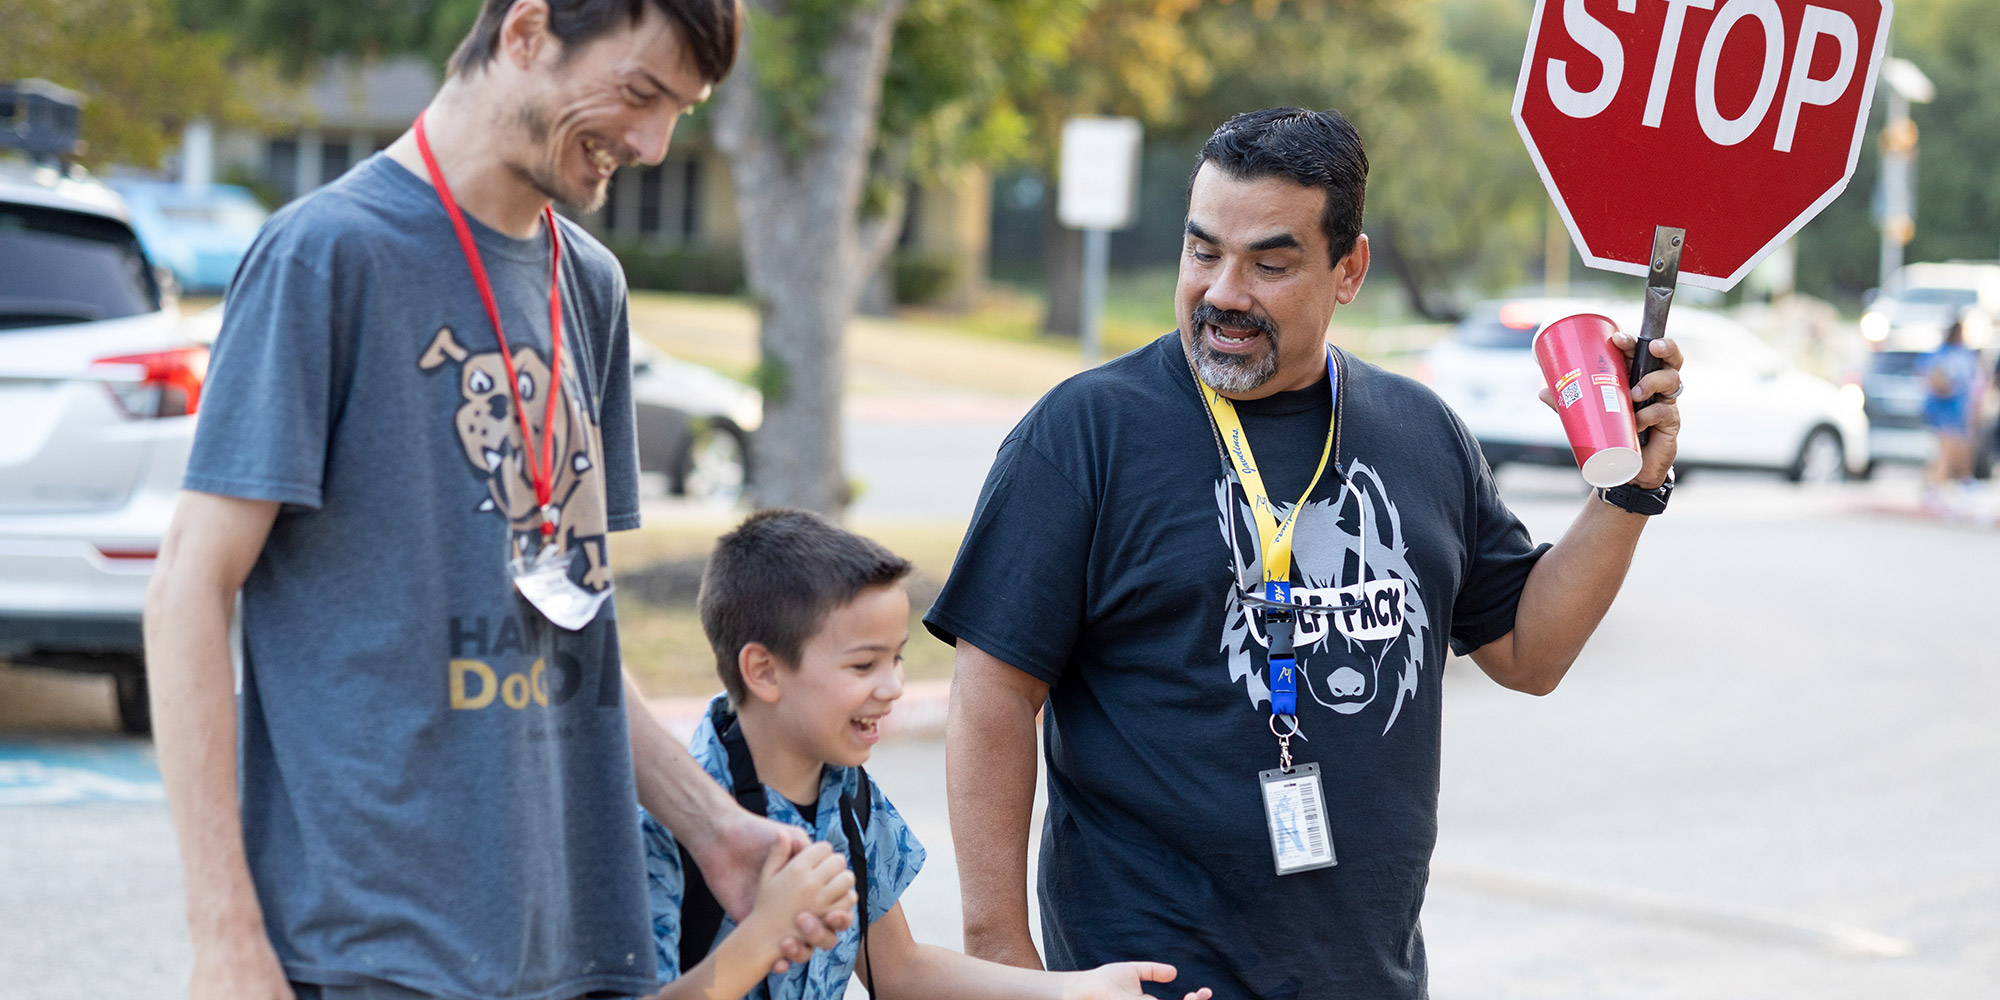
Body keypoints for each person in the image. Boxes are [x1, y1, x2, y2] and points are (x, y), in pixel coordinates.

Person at [142, 2, 855, 998]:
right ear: (525, 32)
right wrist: (223, 932)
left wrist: (715, 829)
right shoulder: (326, 256)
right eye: (639, 94)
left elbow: (570, 634)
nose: (650, 144)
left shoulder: (590, 286)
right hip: (370, 953)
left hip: (575, 943)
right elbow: (186, 586)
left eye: (679, 116)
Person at [927, 107, 1685, 999]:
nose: (1224, 292)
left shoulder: (1422, 432)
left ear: (1348, 271)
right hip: (1149, 979)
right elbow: (993, 696)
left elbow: (1530, 652)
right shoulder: (1085, 434)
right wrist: (1006, 961)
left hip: (1367, 977)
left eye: (1270, 264)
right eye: (1203, 251)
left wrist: (1628, 491)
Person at [641, 510, 1214, 1000]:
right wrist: (763, 934)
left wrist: (1070, 988)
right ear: (763, 671)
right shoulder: (659, 823)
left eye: (898, 659)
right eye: (864, 665)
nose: (891, 687)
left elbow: (900, 971)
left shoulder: (848, 794)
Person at [1921, 319, 1980, 511]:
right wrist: (1945, 387)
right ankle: (1934, 491)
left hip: (1959, 411)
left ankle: (1958, 486)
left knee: (1960, 451)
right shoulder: (1942, 354)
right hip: (1943, 410)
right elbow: (1931, 379)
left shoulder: (1964, 354)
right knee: (1947, 451)